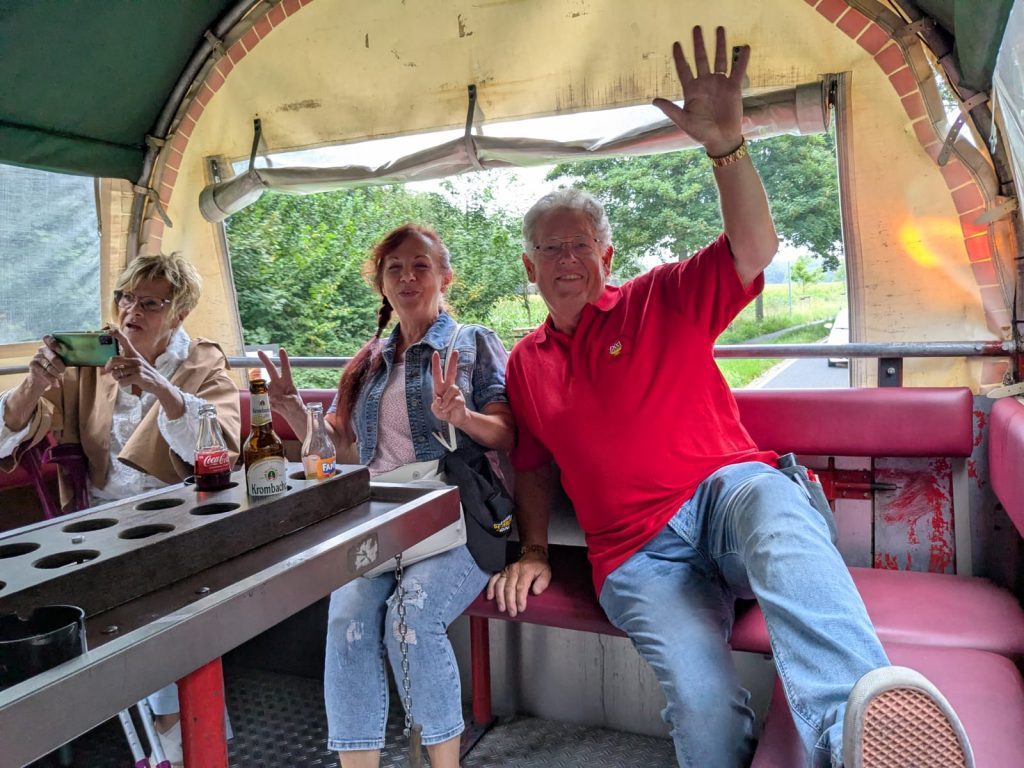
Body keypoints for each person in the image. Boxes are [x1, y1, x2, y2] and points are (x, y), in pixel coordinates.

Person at [488, 26, 973, 768]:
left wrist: (726, 148)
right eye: (551, 248)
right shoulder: (525, 363)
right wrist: (531, 551)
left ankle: (858, 737)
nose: (567, 259)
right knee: (703, 710)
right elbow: (530, 465)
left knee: (772, 506)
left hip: (725, 500)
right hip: (638, 558)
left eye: (580, 243)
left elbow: (753, 249)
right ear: (529, 267)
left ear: (607, 255)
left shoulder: (660, 298)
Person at [258, 223, 514, 768]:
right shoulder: (369, 360)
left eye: (421, 265)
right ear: (381, 283)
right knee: (346, 621)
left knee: (409, 618)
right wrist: (290, 408)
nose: (407, 277)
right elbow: (339, 448)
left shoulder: (473, 343)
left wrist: (461, 416)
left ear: (445, 277)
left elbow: (505, 433)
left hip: (457, 520)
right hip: (381, 519)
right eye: (394, 268)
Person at [0, 251, 242, 766]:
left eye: (150, 303)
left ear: (179, 313)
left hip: (184, 519)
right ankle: (164, 737)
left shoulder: (202, 363)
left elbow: (220, 449)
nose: (132, 310)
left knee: (160, 603)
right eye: (125, 298)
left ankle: (181, 740)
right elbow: (9, 434)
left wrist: (161, 388)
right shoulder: (89, 361)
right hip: (98, 525)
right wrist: (35, 383)